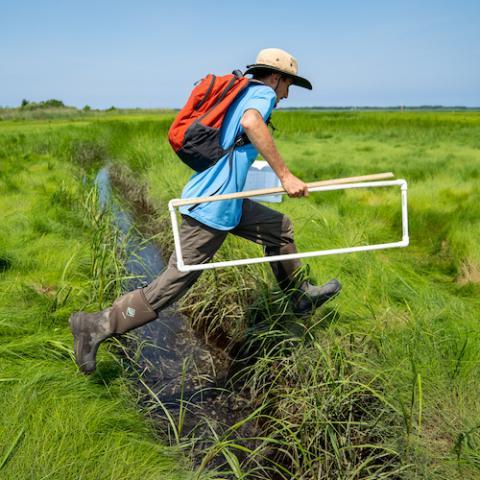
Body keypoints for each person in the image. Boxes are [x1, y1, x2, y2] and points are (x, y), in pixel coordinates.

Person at [69, 48, 341, 374]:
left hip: (229, 202)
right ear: (276, 77)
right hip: (213, 206)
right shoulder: (261, 95)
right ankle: (97, 325)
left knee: (279, 228)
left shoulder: (243, 92)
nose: (286, 94)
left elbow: (236, 142)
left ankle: (299, 296)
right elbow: (252, 122)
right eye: (288, 85)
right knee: (173, 284)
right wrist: (285, 175)